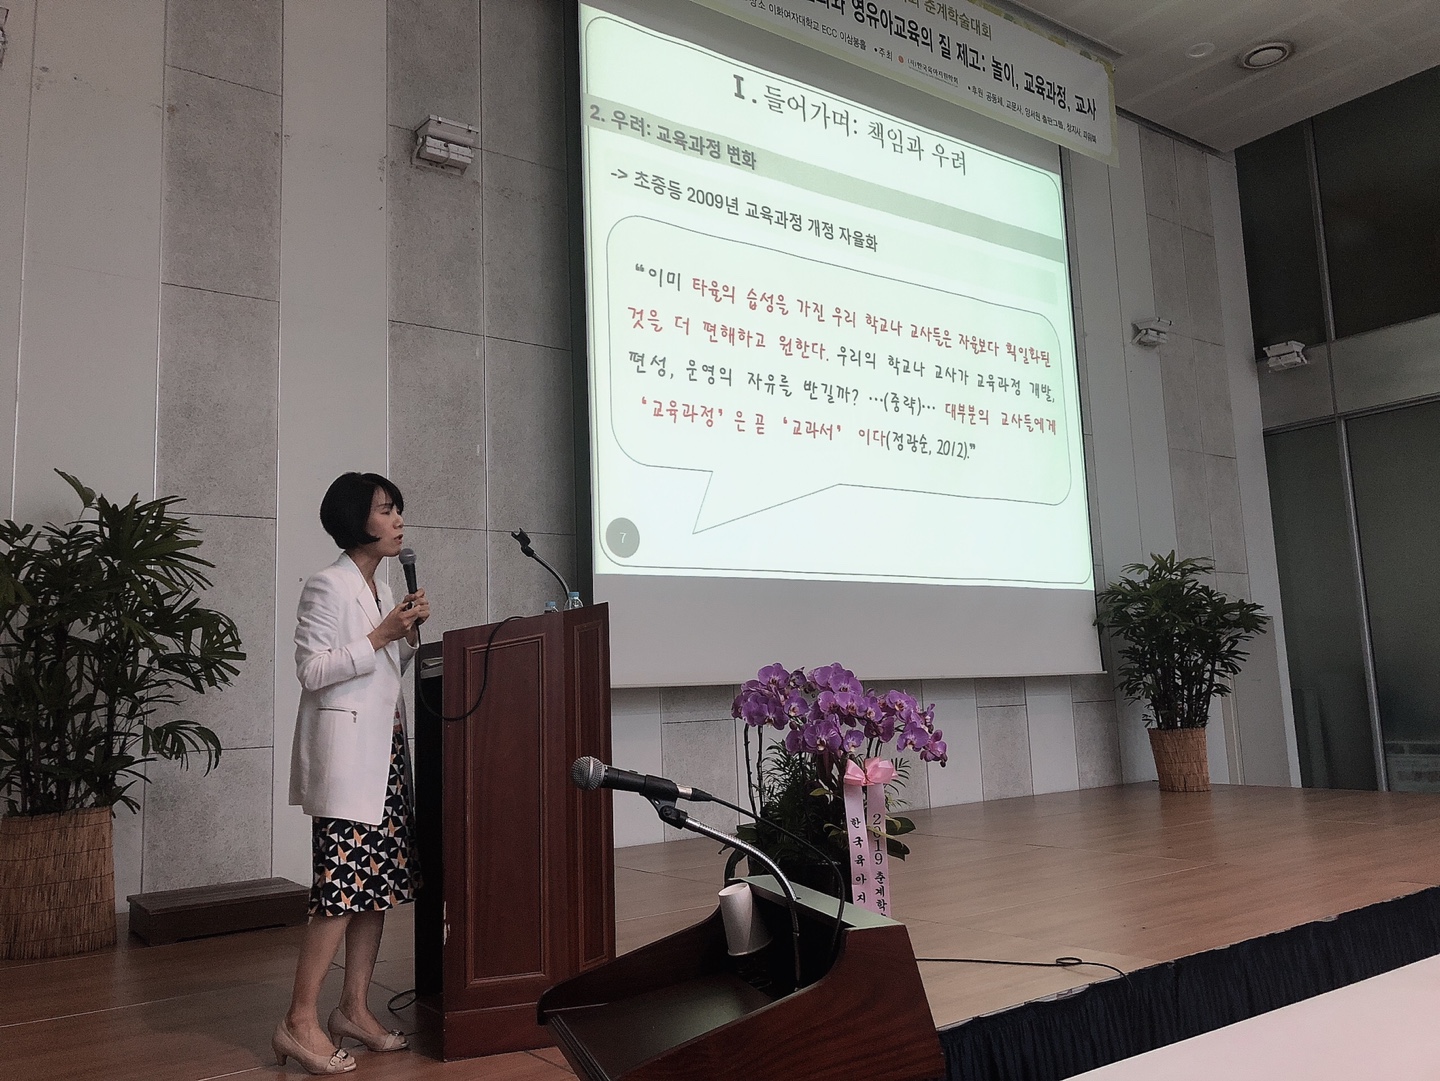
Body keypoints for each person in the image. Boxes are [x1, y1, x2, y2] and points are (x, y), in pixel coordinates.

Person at [272, 472, 430, 1075]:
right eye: (386, 510)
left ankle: (353, 1009)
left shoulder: (379, 585)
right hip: (346, 762)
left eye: (396, 510)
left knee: (376, 887)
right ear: (354, 520)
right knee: (339, 892)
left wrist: (404, 638)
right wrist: (382, 633)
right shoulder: (327, 584)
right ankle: (298, 1021)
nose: (398, 521)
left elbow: (378, 671)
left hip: (384, 758)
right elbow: (312, 670)